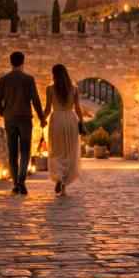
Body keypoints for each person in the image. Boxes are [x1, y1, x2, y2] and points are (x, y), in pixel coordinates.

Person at [0, 51, 44, 195]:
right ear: (23, 62)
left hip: (9, 119)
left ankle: (15, 184)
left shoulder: (3, 80)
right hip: (25, 119)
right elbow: (35, 99)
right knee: (25, 150)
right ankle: (21, 179)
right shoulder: (29, 79)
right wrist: (41, 117)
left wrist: (2, 112)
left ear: (11, 62)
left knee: (12, 152)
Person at [42, 64, 84, 195]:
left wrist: (43, 120)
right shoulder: (75, 89)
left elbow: (48, 108)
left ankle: (59, 177)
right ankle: (64, 188)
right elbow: (77, 109)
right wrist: (82, 124)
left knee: (56, 151)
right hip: (71, 119)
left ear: (53, 75)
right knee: (69, 152)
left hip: (56, 120)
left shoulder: (50, 89)